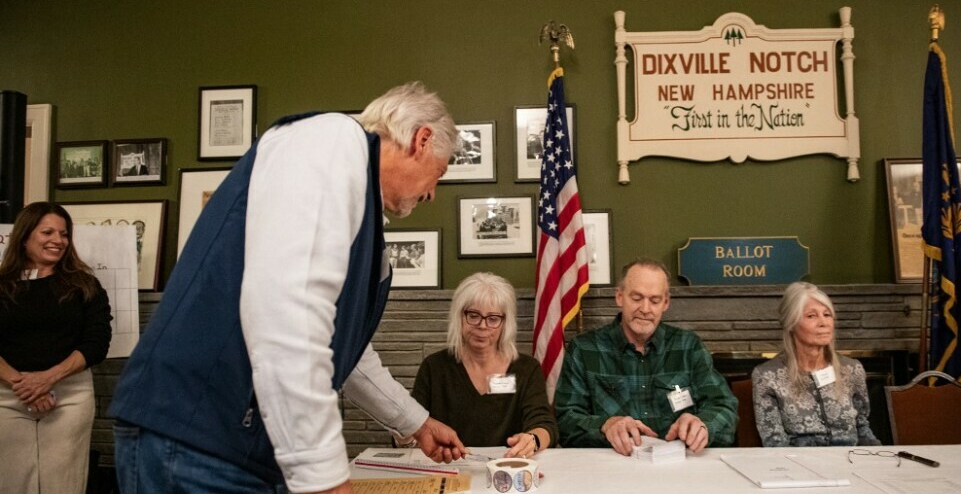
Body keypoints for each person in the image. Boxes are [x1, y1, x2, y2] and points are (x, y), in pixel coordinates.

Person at [109, 82, 468, 494]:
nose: (431, 193)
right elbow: (290, 317)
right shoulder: (332, 141)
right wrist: (324, 478)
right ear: (421, 140)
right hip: (196, 439)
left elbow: (345, 352)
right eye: (438, 175)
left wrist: (416, 423)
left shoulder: (363, 211)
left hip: (240, 450)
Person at [555, 258, 737, 455]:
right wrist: (604, 425)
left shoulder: (688, 346)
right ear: (619, 297)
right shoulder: (584, 349)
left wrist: (703, 425)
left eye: (654, 300)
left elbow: (723, 406)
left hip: (678, 465)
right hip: (613, 466)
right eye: (636, 298)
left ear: (665, 303)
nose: (645, 308)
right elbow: (565, 420)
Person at [0, 202, 113, 494]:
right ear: (25, 237)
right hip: (6, 394)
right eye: (47, 232)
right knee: (11, 483)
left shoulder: (85, 286)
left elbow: (97, 342)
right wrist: (24, 385)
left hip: (70, 395)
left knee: (63, 484)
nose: (58, 240)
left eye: (64, 234)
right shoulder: (1, 286)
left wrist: (47, 379)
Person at [411, 272, 557, 457]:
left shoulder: (527, 369)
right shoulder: (434, 367)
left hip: (507, 468)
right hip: (449, 468)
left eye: (493, 318)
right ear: (459, 317)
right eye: (473, 315)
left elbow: (545, 425)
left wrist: (532, 440)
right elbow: (411, 425)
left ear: (505, 323)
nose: (482, 325)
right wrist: (407, 437)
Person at [752, 282, 880, 447]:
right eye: (811, 316)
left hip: (850, 462)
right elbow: (775, 443)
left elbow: (862, 427)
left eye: (827, 315)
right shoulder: (766, 376)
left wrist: (879, 460)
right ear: (791, 323)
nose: (823, 323)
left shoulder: (852, 369)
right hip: (798, 465)